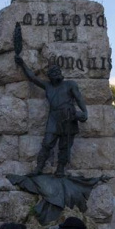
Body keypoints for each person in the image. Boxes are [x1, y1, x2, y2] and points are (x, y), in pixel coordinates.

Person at [14, 27, 89, 176]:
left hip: (69, 116)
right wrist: (22, 64)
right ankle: (38, 168)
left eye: (58, 73)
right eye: (54, 74)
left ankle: (60, 169)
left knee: (65, 146)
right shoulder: (48, 86)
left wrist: (84, 112)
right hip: (54, 118)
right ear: (50, 76)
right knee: (47, 143)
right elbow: (33, 78)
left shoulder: (70, 85)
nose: (57, 75)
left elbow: (79, 98)